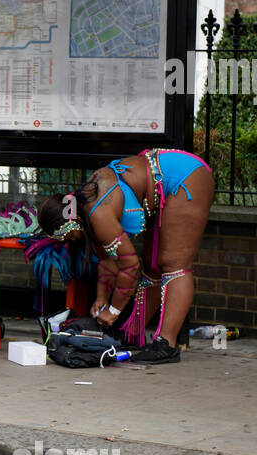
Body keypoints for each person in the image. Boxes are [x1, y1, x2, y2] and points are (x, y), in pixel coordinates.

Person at [37, 149, 215, 363]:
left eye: (67, 236)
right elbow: (107, 260)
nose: (71, 242)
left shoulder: (98, 213)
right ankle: (132, 335)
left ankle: (166, 344)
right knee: (152, 267)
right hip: (163, 181)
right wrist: (101, 299)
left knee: (173, 264)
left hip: (185, 176)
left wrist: (113, 311)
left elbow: (129, 266)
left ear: (70, 223)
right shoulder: (85, 206)